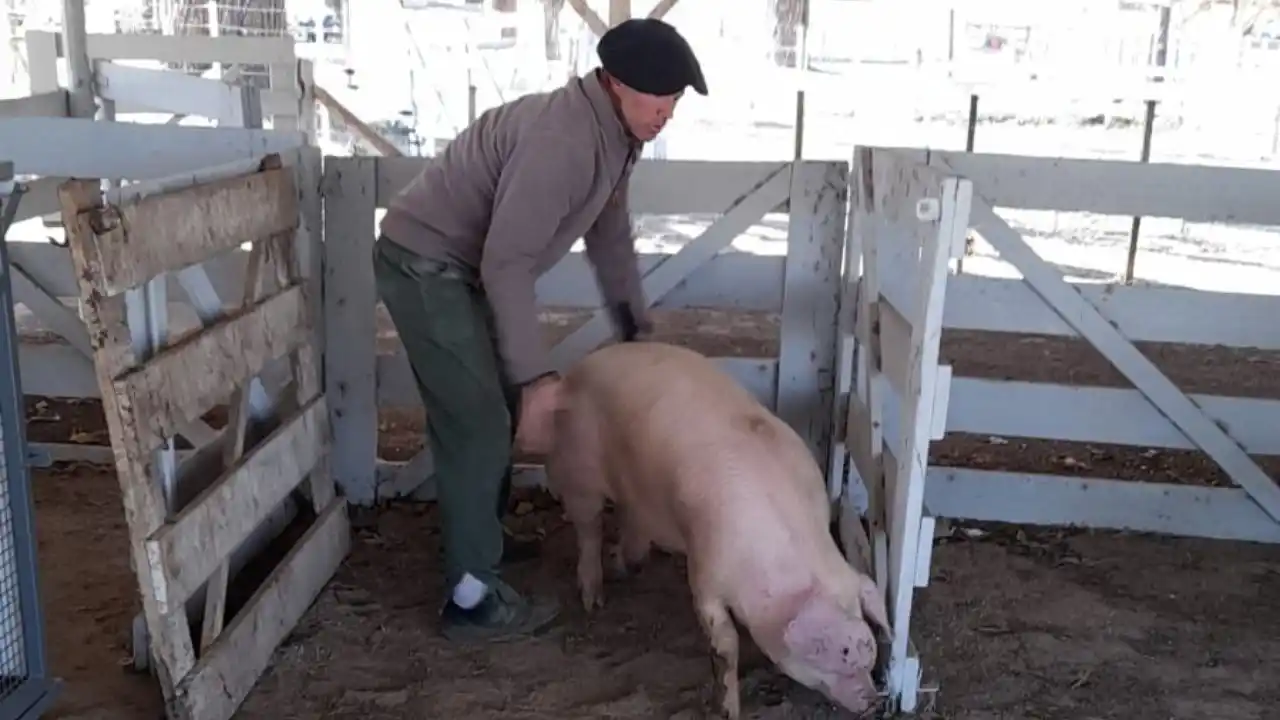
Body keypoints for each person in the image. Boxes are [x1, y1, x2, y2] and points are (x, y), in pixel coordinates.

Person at [372, 17, 708, 642]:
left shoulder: (615, 138)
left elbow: (609, 237)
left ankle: (484, 538)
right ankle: (470, 598)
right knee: (477, 419)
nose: (665, 113)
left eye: (674, 101)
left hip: (459, 268)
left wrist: (635, 327)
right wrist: (536, 378)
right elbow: (507, 260)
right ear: (612, 82)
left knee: (491, 401)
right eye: (654, 98)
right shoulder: (567, 141)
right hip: (425, 264)